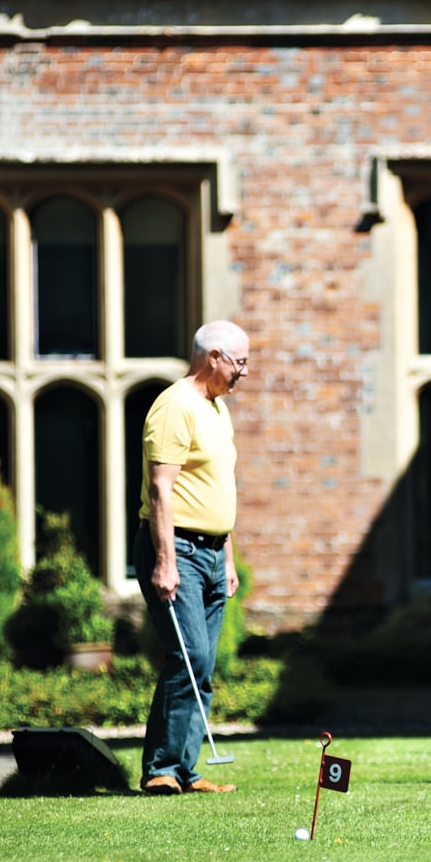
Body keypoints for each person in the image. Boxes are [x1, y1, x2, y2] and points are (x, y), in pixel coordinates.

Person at [134, 320, 250, 795]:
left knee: (202, 664)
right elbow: (162, 488)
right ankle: (159, 769)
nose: (245, 371)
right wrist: (165, 561)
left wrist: (226, 557)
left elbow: (213, 490)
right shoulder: (175, 407)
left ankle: (185, 770)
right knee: (190, 656)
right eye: (240, 362)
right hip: (176, 548)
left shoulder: (216, 408)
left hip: (211, 552)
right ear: (215, 357)